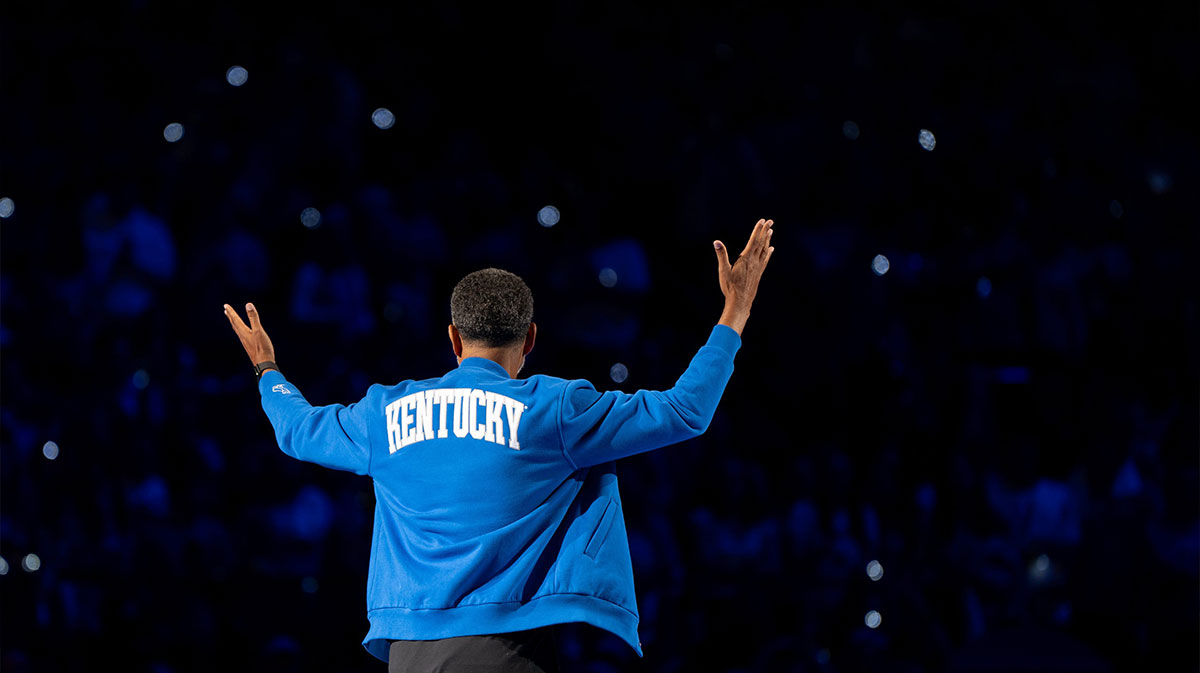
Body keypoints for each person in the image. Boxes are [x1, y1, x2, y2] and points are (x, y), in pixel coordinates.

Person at [223, 218, 775, 672]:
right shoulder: (555, 411)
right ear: (531, 339)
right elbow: (685, 410)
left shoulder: (384, 414)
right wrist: (734, 311)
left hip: (409, 652)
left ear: (454, 338)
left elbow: (297, 430)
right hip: (507, 650)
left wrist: (267, 369)